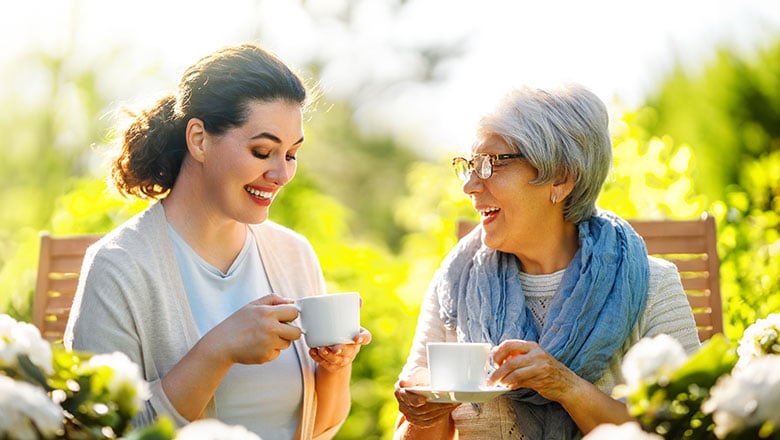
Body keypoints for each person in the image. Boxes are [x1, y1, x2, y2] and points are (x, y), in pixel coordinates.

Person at [64, 42, 371, 440]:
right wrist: (217, 351)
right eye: (263, 151)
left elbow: (321, 427)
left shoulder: (293, 255)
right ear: (199, 139)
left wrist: (335, 366)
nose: (281, 174)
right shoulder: (119, 266)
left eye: (291, 154)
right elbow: (97, 428)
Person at [393, 84, 700, 439]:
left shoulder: (652, 285)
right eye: (469, 166)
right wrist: (426, 416)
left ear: (561, 178)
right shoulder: (455, 283)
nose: (470, 186)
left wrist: (566, 387)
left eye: (491, 164)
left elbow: (685, 429)